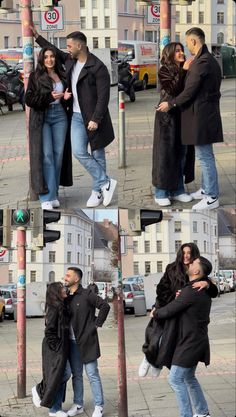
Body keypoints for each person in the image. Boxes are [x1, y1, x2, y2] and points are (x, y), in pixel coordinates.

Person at [31, 24, 117, 208]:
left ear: (80, 46)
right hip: (76, 116)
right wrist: (37, 36)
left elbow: (104, 97)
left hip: (94, 118)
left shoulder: (98, 67)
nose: (66, 49)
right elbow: (52, 51)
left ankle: (97, 191)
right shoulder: (70, 61)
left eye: (69, 46)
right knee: (78, 151)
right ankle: (105, 181)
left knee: (97, 153)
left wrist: (95, 119)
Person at [158, 27, 223, 210]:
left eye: (186, 44)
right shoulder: (206, 60)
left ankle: (211, 196)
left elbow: (189, 91)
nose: (186, 48)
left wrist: (171, 104)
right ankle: (205, 189)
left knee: (205, 157)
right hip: (203, 115)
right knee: (204, 156)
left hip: (202, 117)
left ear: (194, 41)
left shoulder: (202, 62)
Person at [139, 242, 218, 378]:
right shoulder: (172, 269)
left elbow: (214, 292)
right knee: (156, 337)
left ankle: (159, 363)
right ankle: (148, 359)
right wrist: (173, 299)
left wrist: (207, 283)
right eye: (184, 252)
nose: (186, 256)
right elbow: (161, 289)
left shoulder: (199, 270)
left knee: (171, 342)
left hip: (183, 315)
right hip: (168, 306)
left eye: (189, 253)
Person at [153, 256, 213, 417]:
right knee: (188, 378)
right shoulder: (195, 289)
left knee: (175, 379)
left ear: (197, 271)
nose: (189, 263)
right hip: (195, 340)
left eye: (193, 263)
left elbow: (171, 309)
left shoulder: (193, 290)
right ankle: (203, 412)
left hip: (190, 343)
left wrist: (155, 313)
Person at [25, 46, 73, 210]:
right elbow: (29, 99)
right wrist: (48, 97)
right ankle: (46, 196)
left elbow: (67, 98)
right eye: (46, 57)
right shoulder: (36, 76)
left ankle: (53, 194)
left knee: (58, 155)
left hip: (60, 115)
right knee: (46, 155)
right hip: (42, 117)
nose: (50, 59)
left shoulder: (62, 74)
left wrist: (66, 98)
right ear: (41, 59)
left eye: (52, 56)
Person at [64, 267, 110, 417]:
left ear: (76, 279)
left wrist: (96, 324)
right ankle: (78, 404)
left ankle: (99, 406)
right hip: (71, 343)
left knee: (92, 374)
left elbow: (105, 306)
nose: (65, 277)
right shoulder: (66, 296)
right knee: (76, 375)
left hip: (87, 341)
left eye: (68, 275)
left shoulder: (87, 294)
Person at [152, 42, 194, 207]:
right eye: (177, 51)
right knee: (165, 155)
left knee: (181, 153)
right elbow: (172, 90)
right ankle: (161, 191)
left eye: (181, 50)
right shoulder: (164, 70)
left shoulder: (186, 68)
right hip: (166, 118)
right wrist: (183, 71)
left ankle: (177, 189)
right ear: (170, 54)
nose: (181, 52)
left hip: (182, 116)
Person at [31, 282, 71, 417]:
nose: (65, 290)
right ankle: (40, 391)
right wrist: (57, 347)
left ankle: (55, 408)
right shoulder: (54, 308)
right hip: (54, 349)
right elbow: (49, 332)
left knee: (60, 376)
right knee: (62, 375)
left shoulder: (61, 305)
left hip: (61, 347)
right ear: (56, 293)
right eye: (62, 289)